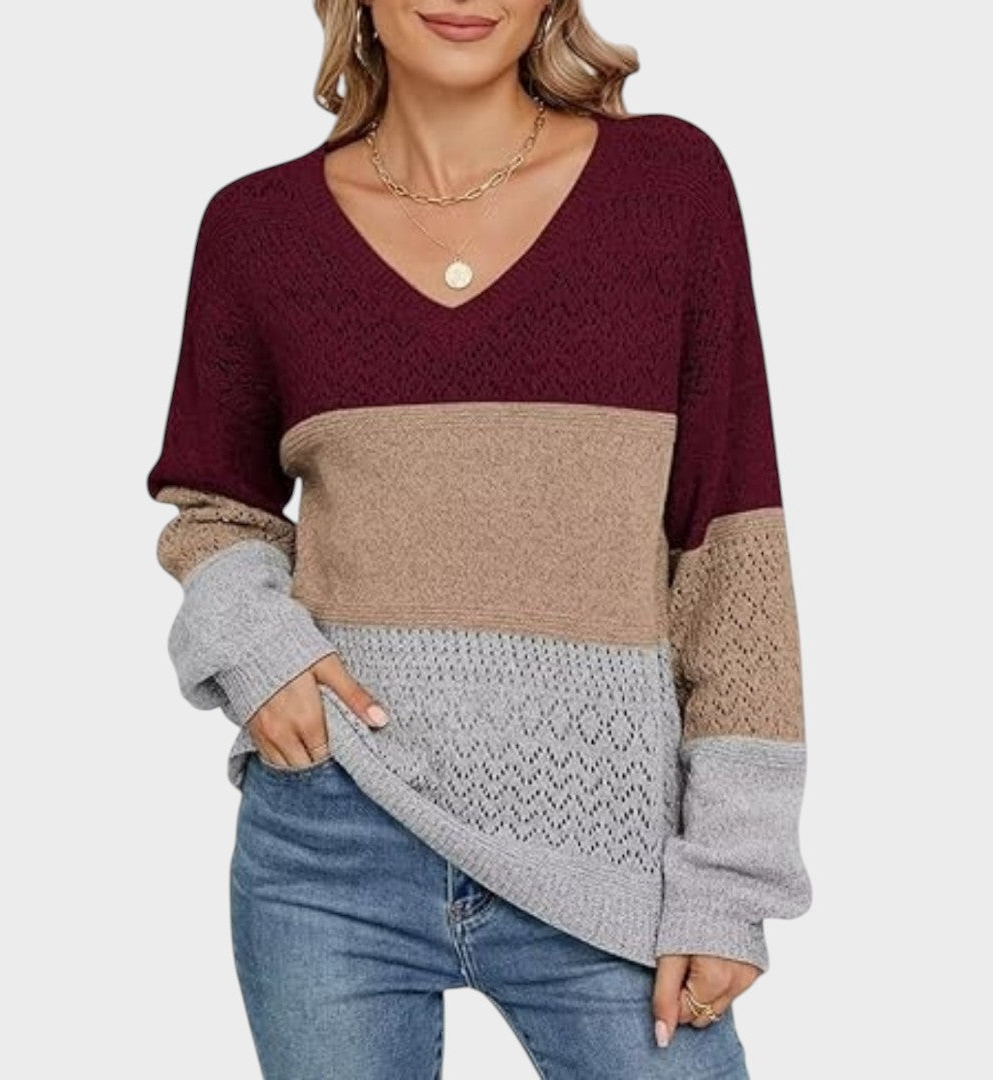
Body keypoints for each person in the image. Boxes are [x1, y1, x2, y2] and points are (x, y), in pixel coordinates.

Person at [145, 1, 813, 1076]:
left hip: (612, 861)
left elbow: (729, 543)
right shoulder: (257, 229)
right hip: (331, 844)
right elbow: (216, 506)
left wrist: (731, 876)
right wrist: (262, 650)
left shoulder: (667, 186)